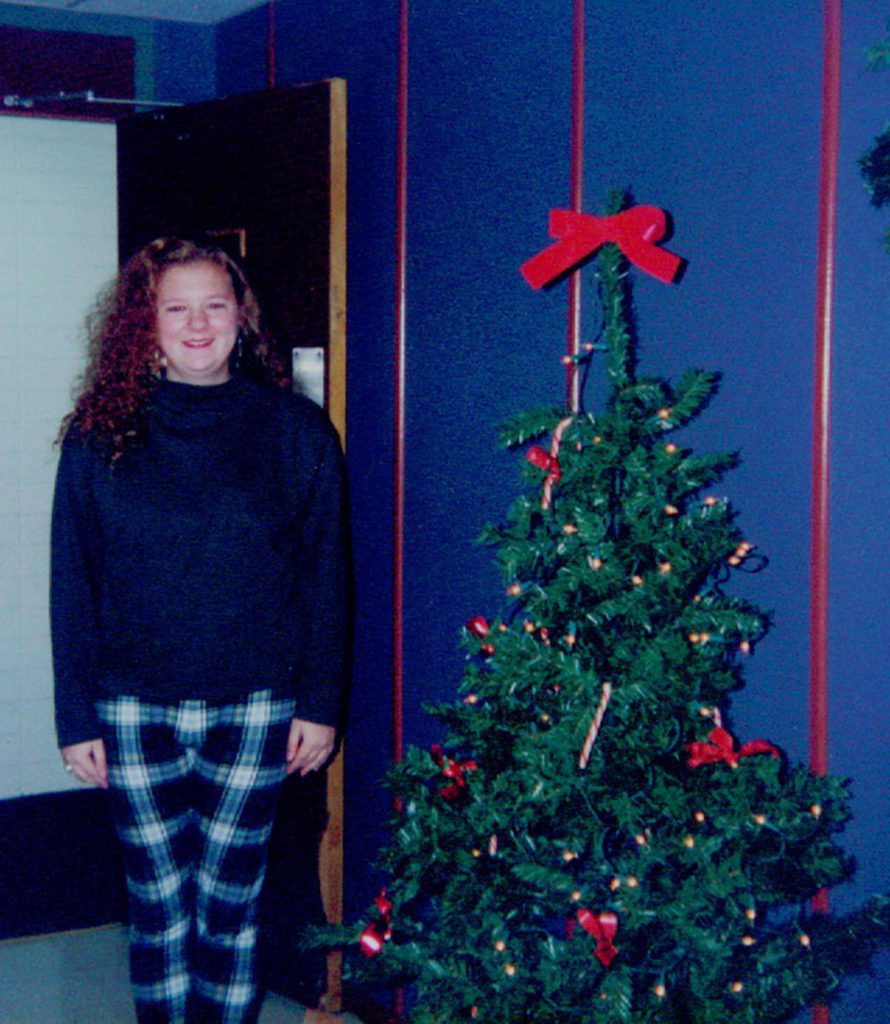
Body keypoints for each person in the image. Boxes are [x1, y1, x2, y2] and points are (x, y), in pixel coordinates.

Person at [50, 237, 350, 1024]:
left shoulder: (296, 431)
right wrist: (75, 716)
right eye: (174, 307)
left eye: (214, 305)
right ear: (144, 323)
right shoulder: (98, 434)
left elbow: (326, 576)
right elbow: (71, 580)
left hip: (256, 706)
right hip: (130, 706)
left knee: (229, 906)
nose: (196, 324)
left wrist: (320, 703)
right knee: (156, 907)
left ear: (241, 317)